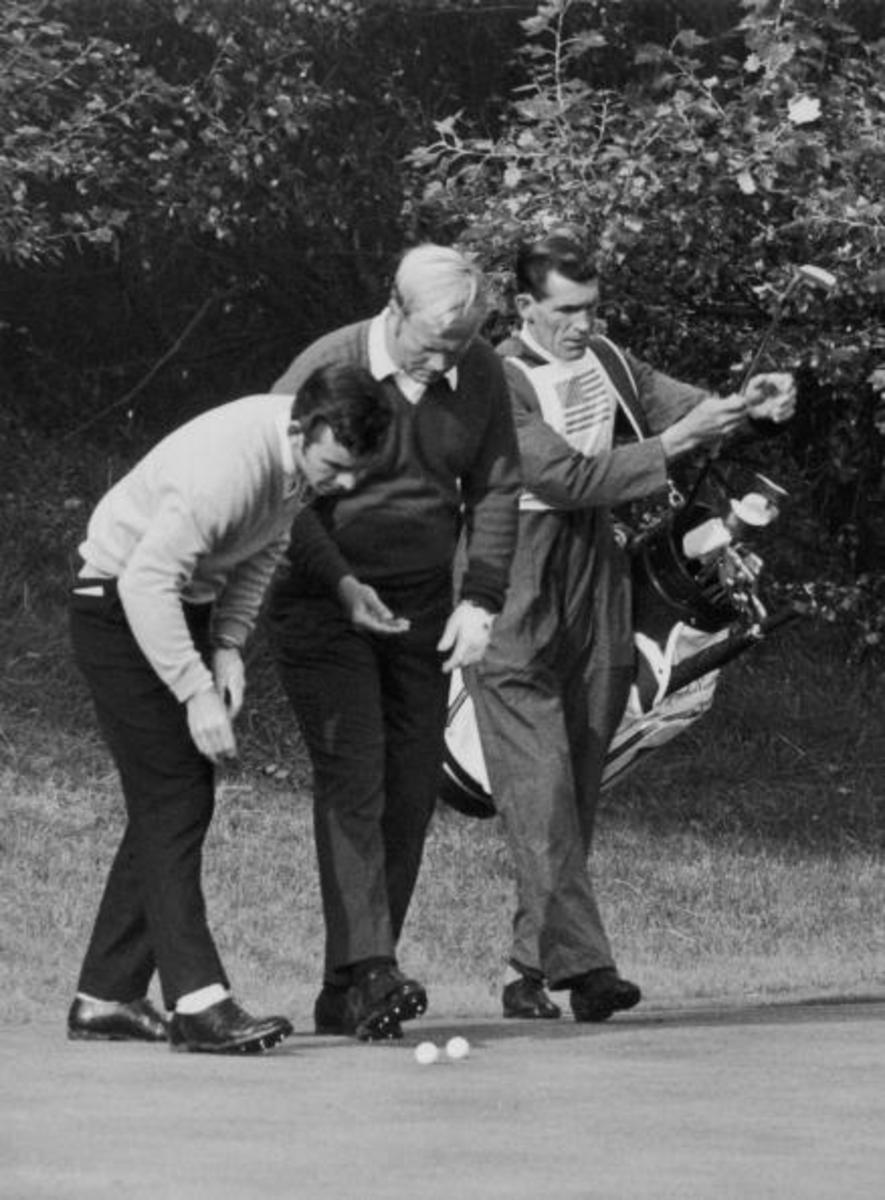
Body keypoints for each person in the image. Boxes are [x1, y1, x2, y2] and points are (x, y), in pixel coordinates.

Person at [463, 229, 797, 1023]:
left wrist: (754, 409)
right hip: (510, 570)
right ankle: (587, 970)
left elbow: (688, 412)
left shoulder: (608, 359)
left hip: (594, 571)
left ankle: (526, 968)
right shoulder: (495, 378)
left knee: (577, 779)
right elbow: (565, 476)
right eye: (565, 310)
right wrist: (674, 444)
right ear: (524, 306)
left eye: (591, 308)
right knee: (538, 785)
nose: (581, 324)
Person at [67, 365, 393, 1054]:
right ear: (301, 431)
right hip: (118, 607)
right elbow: (145, 582)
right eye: (335, 467)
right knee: (174, 797)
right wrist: (192, 692)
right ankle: (198, 1001)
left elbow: (264, 547)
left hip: (176, 609)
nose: (343, 485)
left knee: (174, 800)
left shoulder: (292, 465)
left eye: (355, 472)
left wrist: (228, 647)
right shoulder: (230, 466)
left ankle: (106, 995)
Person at [266, 244, 520, 1041]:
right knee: (355, 775)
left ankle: (349, 988)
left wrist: (480, 597)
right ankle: (373, 970)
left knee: (410, 786)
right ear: (393, 307)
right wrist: (343, 580)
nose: (445, 358)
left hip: (419, 604)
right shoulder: (331, 363)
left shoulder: (475, 370)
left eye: (460, 343)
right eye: (432, 341)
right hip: (322, 598)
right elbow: (281, 490)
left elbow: (497, 483)